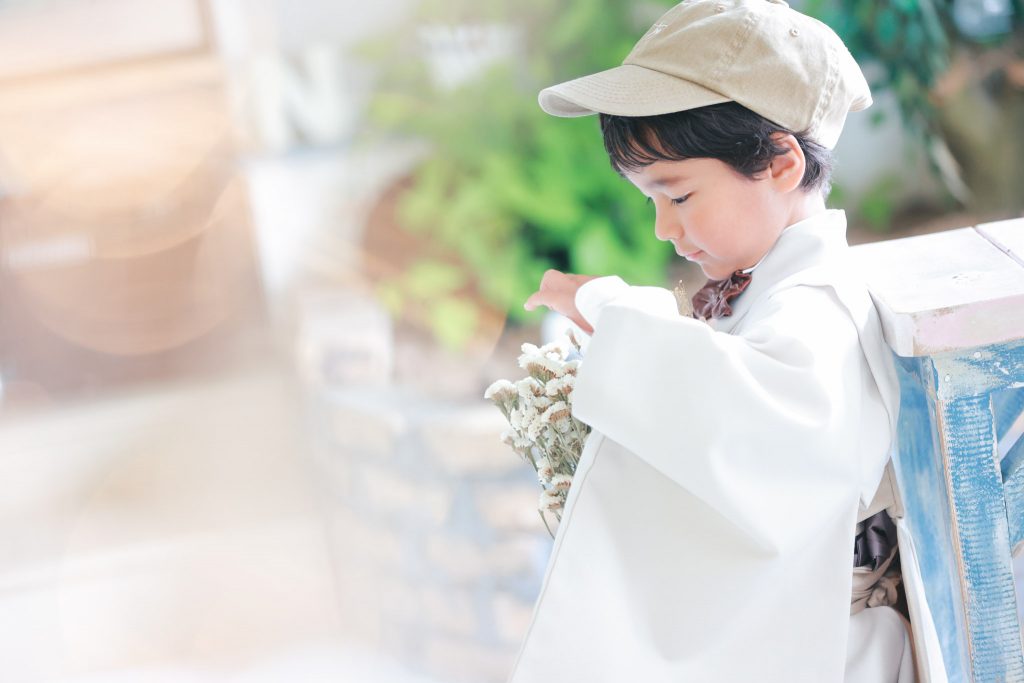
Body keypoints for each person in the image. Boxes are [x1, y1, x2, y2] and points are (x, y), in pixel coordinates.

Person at [511, 0, 947, 680]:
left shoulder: (816, 306)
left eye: (678, 196)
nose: (662, 227)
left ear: (781, 163)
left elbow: (756, 421)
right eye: (649, 199)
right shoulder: (775, 282)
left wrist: (612, 306)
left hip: (834, 648)